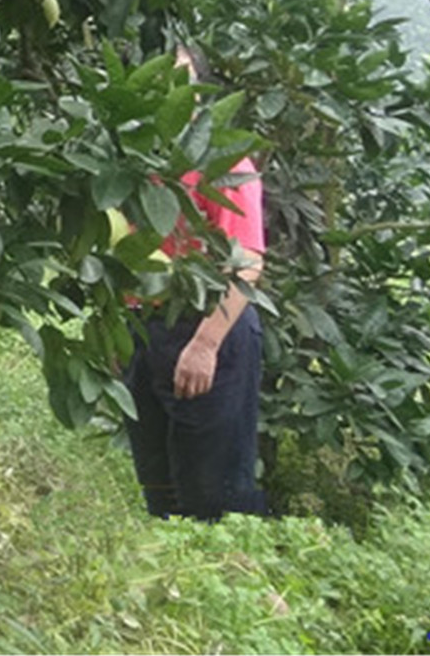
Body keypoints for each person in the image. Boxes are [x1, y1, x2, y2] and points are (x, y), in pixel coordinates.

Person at [120, 43, 270, 520]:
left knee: (214, 498)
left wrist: (205, 345)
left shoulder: (223, 162)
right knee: (159, 490)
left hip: (209, 330)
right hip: (146, 332)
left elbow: (246, 264)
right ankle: (176, 587)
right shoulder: (132, 162)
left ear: (201, 97)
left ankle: (243, 587)